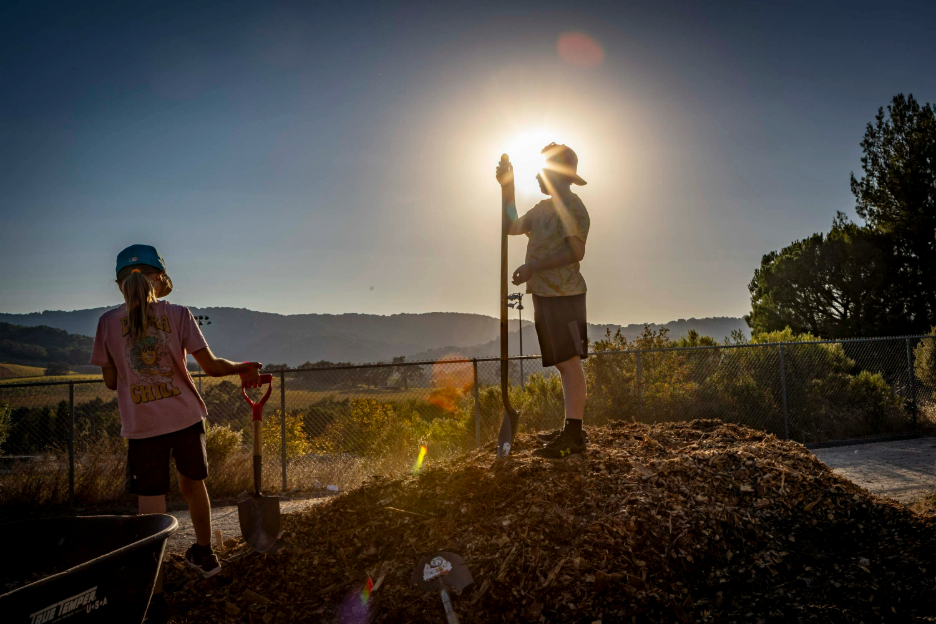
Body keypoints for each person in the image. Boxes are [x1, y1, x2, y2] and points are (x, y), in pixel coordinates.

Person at [90, 244, 262, 622]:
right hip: (185, 419)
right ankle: (205, 555)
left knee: (150, 509)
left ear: (120, 284)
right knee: (193, 486)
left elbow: (109, 382)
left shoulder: (106, 323)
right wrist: (246, 366)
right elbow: (214, 367)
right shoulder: (179, 314)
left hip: (142, 427)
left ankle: (155, 594)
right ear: (161, 279)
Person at [496, 143, 590, 459]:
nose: (536, 175)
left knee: (569, 362)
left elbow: (576, 252)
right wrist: (507, 188)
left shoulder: (574, 208)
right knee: (563, 363)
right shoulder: (541, 209)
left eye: (541, 170)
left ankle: (574, 435)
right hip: (545, 295)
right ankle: (571, 427)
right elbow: (511, 226)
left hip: (566, 295)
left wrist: (534, 266)